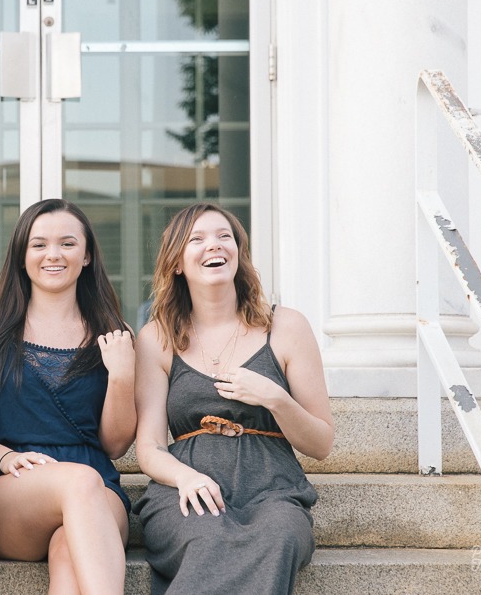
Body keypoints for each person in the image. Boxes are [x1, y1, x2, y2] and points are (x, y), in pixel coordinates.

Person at [133, 203, 334, 595]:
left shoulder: (287, 326)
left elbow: (321, 443)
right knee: (208, 535)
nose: (215, 246)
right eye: (198, 239)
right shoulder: (156, 338)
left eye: (225, 236)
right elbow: (149, 447)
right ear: (177, 262)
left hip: (274, 488)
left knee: (280, 536)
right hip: (186, 488)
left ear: (239, 253)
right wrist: (185, 477)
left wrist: (276, 398)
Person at [0, 198, 136, 594]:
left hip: (99, 485)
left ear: (88, 254)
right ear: (22, 256)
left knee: (67, 551)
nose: (53, 255)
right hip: (13, 481)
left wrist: (123, 376)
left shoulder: (114, 330)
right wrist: (3, 456)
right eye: (39, 244)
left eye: (67, 243)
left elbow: (114, 444)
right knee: (78, 482)